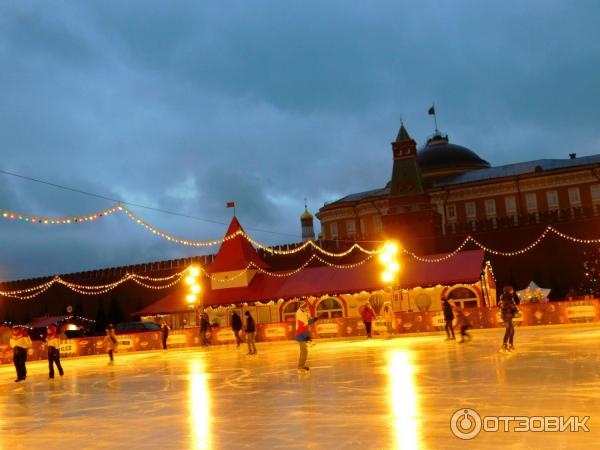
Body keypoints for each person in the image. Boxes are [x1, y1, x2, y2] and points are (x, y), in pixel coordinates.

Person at [295, 302, 316, 373]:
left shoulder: (305, 312)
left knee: (305, 351)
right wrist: (308, 338)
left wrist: (314, 319)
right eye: (306, 307)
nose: (308, 309)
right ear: (303, 308)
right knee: (303, 351)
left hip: (303, 333)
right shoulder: (299, 314)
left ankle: (301, 366)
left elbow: (307, 322)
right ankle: (300, 367)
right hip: (300, 334)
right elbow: (301, 327)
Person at [499, 285, 519, 352]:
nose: (512, 291)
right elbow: (511, 305)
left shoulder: (503, 298)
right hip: (507, 315)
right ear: (509, 291)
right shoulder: (509, 297)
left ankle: (510, 344)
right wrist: (516, 310)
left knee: (511, 330)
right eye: (512, 290)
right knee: (509, 330)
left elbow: (501, 306)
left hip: (505, 315)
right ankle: (505, 344)